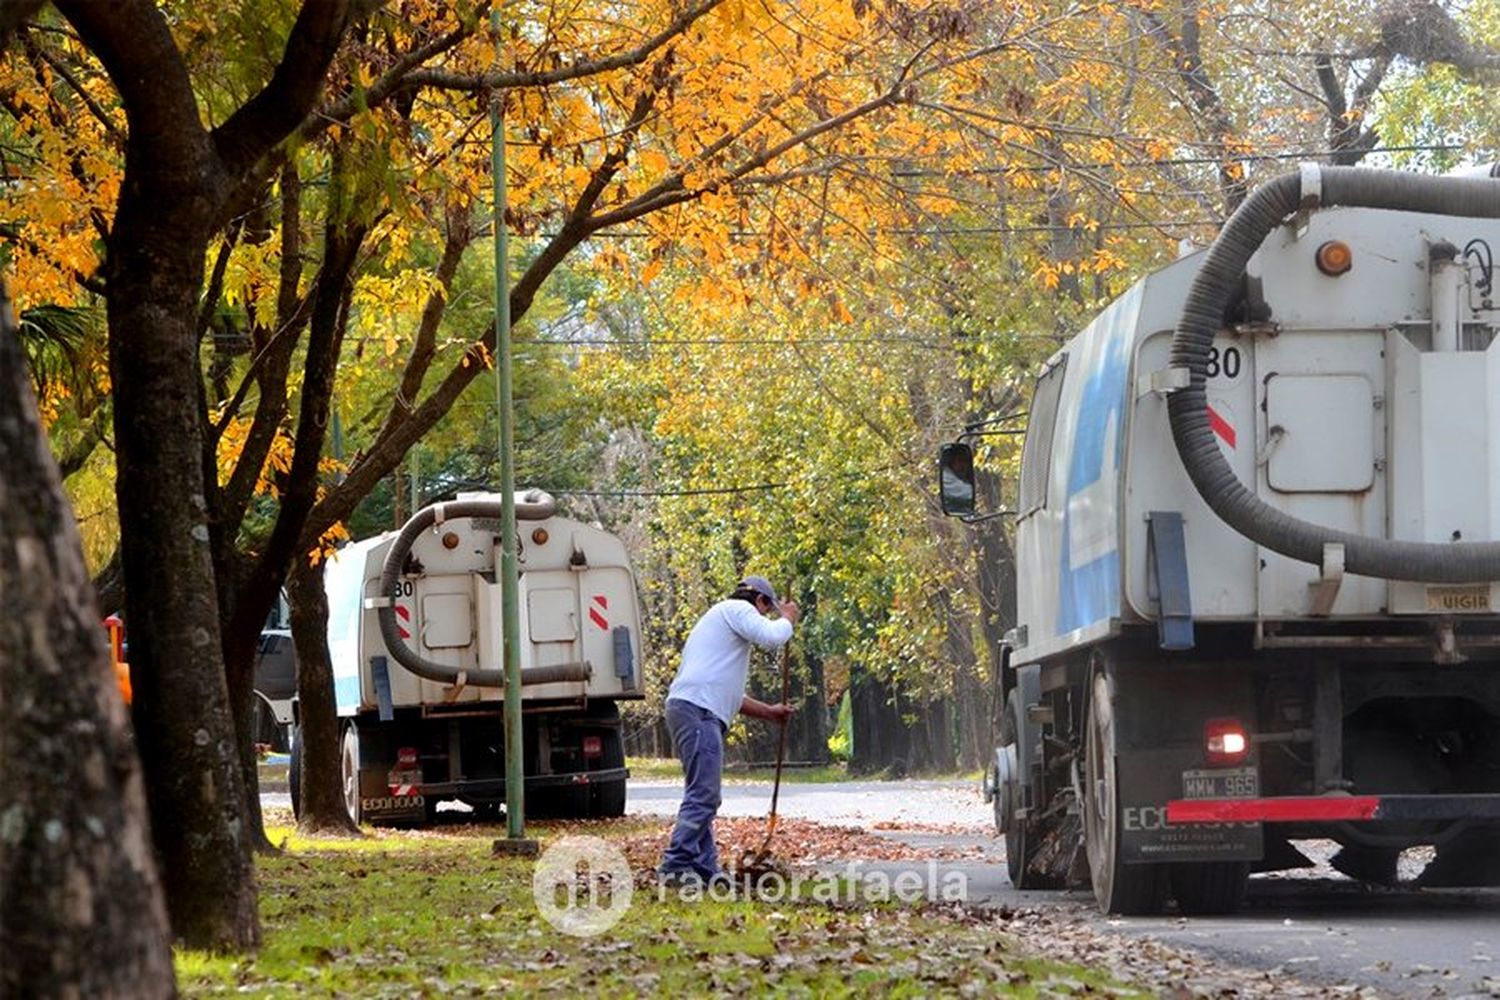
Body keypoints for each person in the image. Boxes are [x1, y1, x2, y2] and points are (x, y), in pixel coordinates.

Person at [658, 575, 799, 883]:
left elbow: (731, 696)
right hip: (698, 711)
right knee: (705, 794)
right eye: (766, 609)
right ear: (760, 601)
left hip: (692, 707)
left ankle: (705, 869)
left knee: (702, 793)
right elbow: (773, 637)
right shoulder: (738, 609)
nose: (764, 616)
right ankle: (675, 865)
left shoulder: (723, 626)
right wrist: (787, 618)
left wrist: (769, 713)